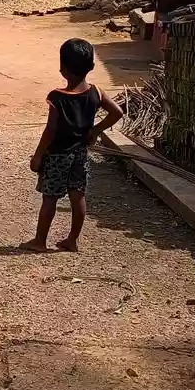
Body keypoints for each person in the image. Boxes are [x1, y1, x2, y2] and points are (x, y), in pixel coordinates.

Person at [24, 39, 123, 253]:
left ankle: (40, 241)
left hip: (57, 155)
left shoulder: (57, 97)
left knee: (50, 198)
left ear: (63, 68)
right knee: (77, 195)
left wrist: (38, 155)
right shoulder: (96, 92)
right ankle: (72, 239)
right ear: (91, 67)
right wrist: (95, 131)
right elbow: (117, 112)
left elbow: (50, 129)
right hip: (80, 154)